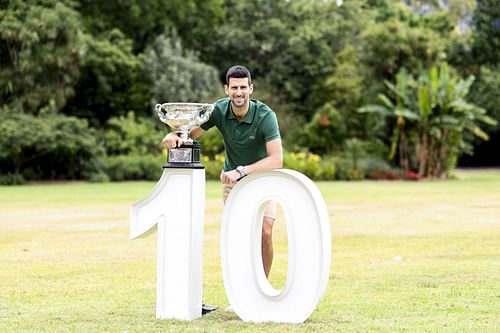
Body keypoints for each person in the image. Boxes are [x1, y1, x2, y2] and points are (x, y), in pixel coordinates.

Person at [162, 64, 283, 283]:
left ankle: (262, 288)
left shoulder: (265, 115)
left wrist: (241, 170)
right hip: (232, 183)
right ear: (226, 89)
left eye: (243, 87)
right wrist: (174, 136)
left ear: (251, 89)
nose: (239, 92)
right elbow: (191, 134)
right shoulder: (218, 110)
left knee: (265, 231)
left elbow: (277, 159)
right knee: (238, 236)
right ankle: (242, 291)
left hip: (263, 179)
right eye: (234, 87)